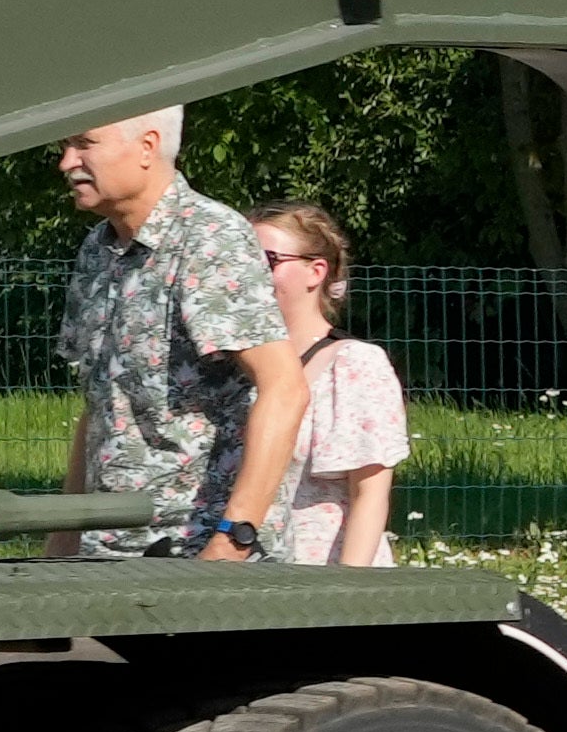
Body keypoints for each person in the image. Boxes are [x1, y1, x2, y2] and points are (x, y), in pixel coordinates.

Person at [51, 110, 301, 565]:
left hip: (196, 558)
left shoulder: (210, 237)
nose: (67, 162)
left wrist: (232, 541)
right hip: (107, 552)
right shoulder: (97, 248)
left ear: (147, 147)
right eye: (66, 146)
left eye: (85, 144)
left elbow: (285, 388)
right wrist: (62, 542)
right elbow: (101, 405)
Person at [255, 203, 410, 566]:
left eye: (268, 260)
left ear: (316, 271)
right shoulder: (228, 367)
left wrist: (346, 597)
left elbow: (370, 495)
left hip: (324, 582)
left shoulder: (353, 365)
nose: (249, 274)